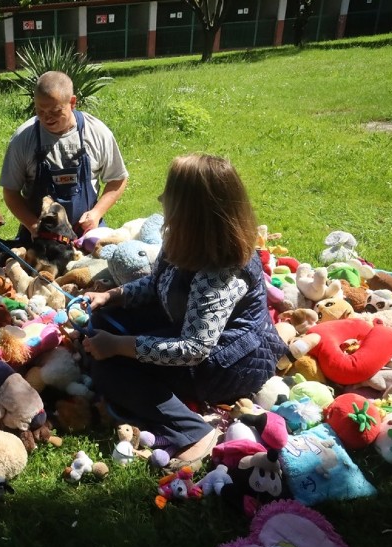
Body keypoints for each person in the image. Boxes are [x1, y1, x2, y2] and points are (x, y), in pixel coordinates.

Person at [81, 154, 287, 470]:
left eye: (170, 194)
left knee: (108, 367)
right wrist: (112, 296)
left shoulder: (219, 271)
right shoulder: (184, 238)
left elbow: (194, 349)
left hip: (226, 363)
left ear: (192, 211)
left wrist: (119, 346)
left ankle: (192, 429)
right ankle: (115, 353)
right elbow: (158, 284)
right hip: (188, 333)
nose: (161, 198)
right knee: (101, 325)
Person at [0, 70, 128, 251]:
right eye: (40, 110)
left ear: (72, 102)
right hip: (39, 237)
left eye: (55, 111)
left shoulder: (97, 132)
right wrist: (34, 226)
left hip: (87, 232)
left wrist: (97, 213)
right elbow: (10, 192)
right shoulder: (23, 139)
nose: (46, 117)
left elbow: (118, 179)